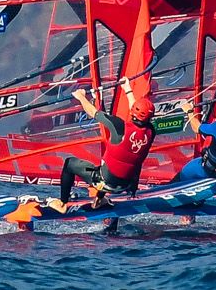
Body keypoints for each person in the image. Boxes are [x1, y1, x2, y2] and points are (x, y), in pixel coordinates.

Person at [56, 78, 157, 209]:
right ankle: (99, 200)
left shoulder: (119, 126)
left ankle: (62, 203)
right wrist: (127, 89)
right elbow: (139, 114)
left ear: (133, 112)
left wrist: (81, 97)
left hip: (106, 182)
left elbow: (92, 112)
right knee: (115, 163)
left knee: (70, 163)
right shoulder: (151, 131)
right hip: (128, 185)